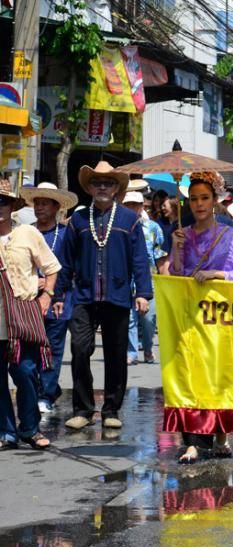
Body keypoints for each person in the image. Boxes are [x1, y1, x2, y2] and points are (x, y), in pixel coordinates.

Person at [55, 161, 153, 431]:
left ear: (115, 188)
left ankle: (111, 409)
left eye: (108, 183)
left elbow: (140, 260)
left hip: (118, 295)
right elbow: (65, 260)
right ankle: (83, 409)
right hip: (84, 296)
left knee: (115, 354)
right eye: (97, 182)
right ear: (89, 187)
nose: (102, 187)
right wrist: (59, 294)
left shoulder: (129, 220)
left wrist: (143, 292)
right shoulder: (78, 219)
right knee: (79, 349)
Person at [169, 171, 233, 463]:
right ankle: (192, 441)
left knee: (219, 378)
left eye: (204, 198)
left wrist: (216, 274)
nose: (199, 204)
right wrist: (177, 250)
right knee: (190, 378)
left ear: (215, 201)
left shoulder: (229, 235)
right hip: (191, 318)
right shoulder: (183, 234)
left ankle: (220, 435)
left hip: (220, 320)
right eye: (193, 199)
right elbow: (176, 277)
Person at [0, 190, 61, 450]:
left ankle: (30, 428)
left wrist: (47, 295)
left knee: (24, 371)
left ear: (12, 205)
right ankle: (6, 432)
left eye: (3, 201)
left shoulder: (27, 233)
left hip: (21, 313)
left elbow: (52, 267)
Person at [21, 183, 77, 415]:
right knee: (31, 349)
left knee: (52, 348)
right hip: (29, 299)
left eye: (45, 203)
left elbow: (70, 267)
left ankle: (46, 394)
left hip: (58, 299)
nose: (40, 208)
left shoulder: (65, 234)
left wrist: (55, 291)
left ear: (56, 207)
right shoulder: (26, 232)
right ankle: (42, 390)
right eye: (37, 203)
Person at [123, 191, 167, 366]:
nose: (132, 208)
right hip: (126, 280)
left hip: (148, 280)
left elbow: (160, 255)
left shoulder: (153, 228)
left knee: (148, 320)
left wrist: (165, 280)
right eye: (128, 205)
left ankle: (147, 348)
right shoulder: (119, 226)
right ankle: (131, 352)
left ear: (142, 207)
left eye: (135, 205)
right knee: (129, 320)